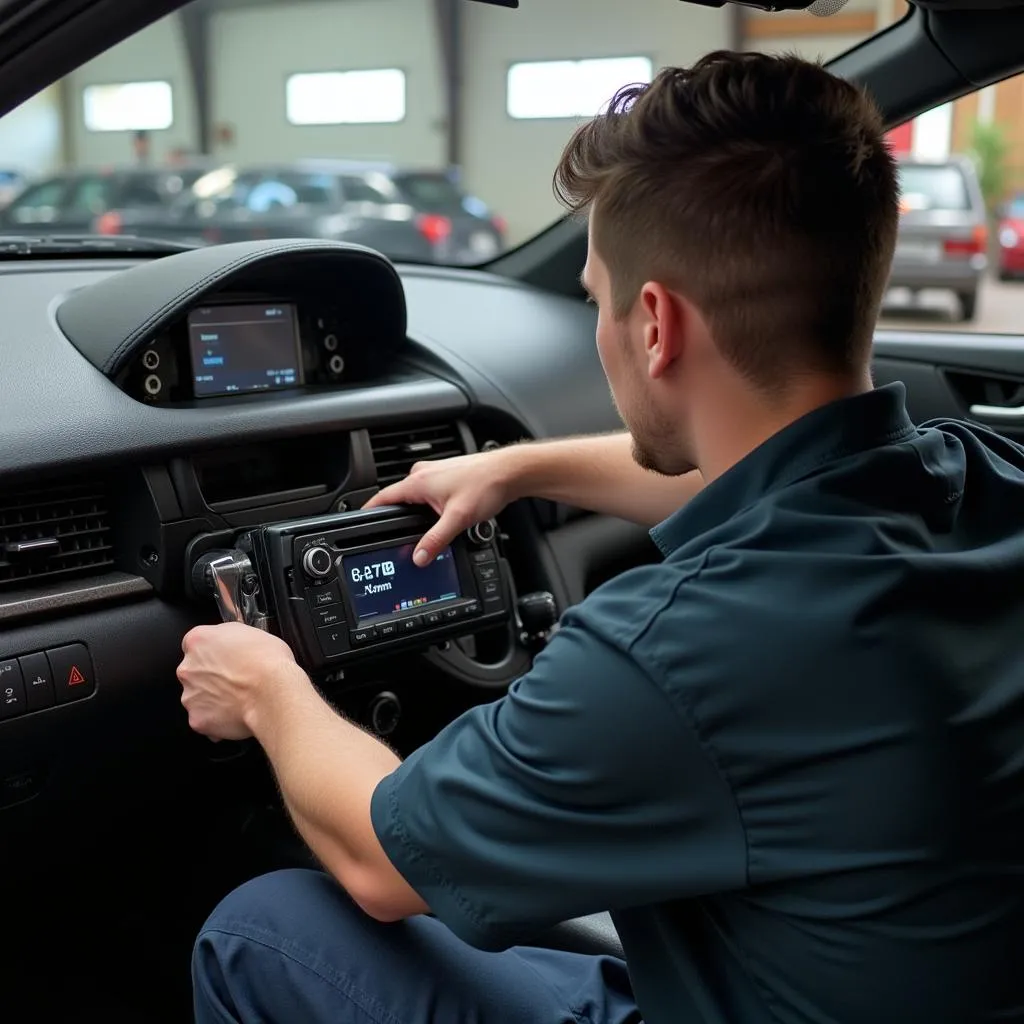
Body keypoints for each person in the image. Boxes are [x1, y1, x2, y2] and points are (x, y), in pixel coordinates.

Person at [177, 51, 1024, 1024]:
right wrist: (518, 467)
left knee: (263, 929)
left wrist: (265, 687)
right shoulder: (978, 476)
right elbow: (775, 486)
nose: (598, 326)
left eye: (594, 298)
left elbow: (377, 861)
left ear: (655, 323)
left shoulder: (678, 648)